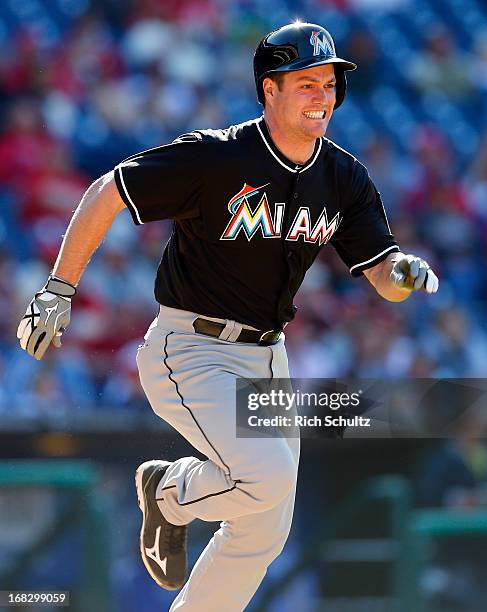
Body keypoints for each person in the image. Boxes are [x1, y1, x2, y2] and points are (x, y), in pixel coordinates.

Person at [17, 22, 439, 611]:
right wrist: (59, 290)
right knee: (267, 480)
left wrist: (404, 274)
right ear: (270, 89)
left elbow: (381, 272)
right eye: (307, 84)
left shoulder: (343, 177)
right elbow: (107, 191)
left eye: (329, 84)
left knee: (266, 525)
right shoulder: (218, 156)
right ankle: (168, 493)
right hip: (191, 348)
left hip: (268, 357)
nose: (323, 97)